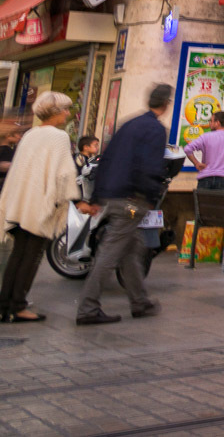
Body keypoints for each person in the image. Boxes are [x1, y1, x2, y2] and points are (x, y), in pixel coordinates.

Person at [78, 84, 172, 325]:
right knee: (112, 250)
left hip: (113, 197)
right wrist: (149, 197)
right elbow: (150, 166)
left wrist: (97, 198)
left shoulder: (129, 125)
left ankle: (140, 301)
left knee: (132, 246)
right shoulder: (155, 129)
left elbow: (106, 160)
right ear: (166, 105)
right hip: (131, 201)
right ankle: (88, 308)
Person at [0, 92, 90, 323]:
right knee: (31, 256)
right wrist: (77, 200)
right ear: (56, 112)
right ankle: (18, 306)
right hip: (39, 205)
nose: (68, 114)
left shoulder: (30, 135)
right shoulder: (58, 137)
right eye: (66, 109)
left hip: (21, 203)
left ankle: (5, 305)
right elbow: (65, 174)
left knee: (18, 255)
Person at [184, 111, 224, 191]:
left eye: (211, 121)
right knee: (220, 203)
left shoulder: (206, 137)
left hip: (205, 177)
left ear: (217, 123)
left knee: (202, 203)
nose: (209, 123)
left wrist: (196, 163)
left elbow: (187, 149)